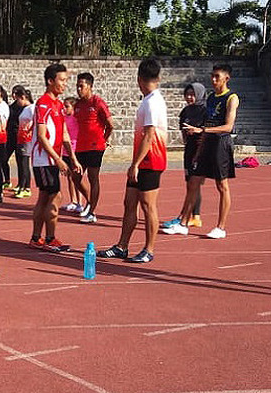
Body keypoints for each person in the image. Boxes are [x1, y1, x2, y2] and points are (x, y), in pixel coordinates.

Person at [98, 57, 167, 263]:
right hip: (141, 161)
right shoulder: (146, 101)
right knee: (129, 203)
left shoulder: (154, 102)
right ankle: (122, 246)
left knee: (148, 205)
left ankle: (149, 249)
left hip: (151, 161)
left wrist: (135, 164)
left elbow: (149, 135)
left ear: (139, 79)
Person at [162, 64, 239, 239]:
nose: (213, 80)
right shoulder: (211, 98)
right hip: (207, 143)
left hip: (221, 143)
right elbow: (207, 124)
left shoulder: (231, 98)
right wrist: (199, 147)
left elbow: (228, 126)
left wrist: (201, 131)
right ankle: (183, 223)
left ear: (226, 78)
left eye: (217, 77)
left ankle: (220, 227)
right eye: (212, 76)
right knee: (193, 182)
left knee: (222, 186)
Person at [28, 63, 80, 252]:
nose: (65, 84)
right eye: (62, 80)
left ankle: (37, 238)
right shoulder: (43, 103)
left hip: (52, 159)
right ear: (51, 81)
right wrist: (57, 160)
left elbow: (64, 133)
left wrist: (72, 158)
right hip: (44, 159)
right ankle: (49, 238)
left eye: (66, 80)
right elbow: (41, 136)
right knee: (56, 196)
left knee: (44, 197)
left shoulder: (58, 105)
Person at [162, 83, 207, 229]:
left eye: (192, 94)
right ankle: (191, 215)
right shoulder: (185, 111)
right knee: (189, 183)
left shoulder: (205, 111)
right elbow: (183, 129)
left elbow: (207, 131)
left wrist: (198, 133)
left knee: (195, 184)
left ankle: (193, 216)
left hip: (200, 150)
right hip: (189, 149)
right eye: (187, 94)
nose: (189, 97)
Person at [73, 72, 115, 224]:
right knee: (75, 176)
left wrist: (103, 140)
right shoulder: (77, 105)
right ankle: (90, 200)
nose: (78, 89)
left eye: (81, 86)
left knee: (92, 177)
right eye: (77, 86)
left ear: (89, 87)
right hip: (80, 147)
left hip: (95, 147)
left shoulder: (98, 103)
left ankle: (92, 212)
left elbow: (111, 125)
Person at [61, 95, 85, 213]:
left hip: (75, 149)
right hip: (65, 150)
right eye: (64, 106)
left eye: (67, 106)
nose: (64, 109)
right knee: (69, 177)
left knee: (76, 177)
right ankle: (73, 201)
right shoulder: (64, 118)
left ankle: (81, 202)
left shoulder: (77, 118)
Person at [12, 87, 34, 198]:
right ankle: (22, 185)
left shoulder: (31, 109)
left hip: (27, 140)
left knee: (24, 163)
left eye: (18, 100)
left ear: (23, 97)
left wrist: (30, 132)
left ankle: (26, 188)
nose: (17, 102)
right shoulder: (24, 109)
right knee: (20, 163)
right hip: (21, 138)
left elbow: (36, 122)